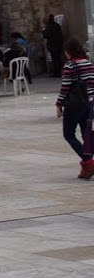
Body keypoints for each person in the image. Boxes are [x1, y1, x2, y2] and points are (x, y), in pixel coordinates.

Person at [56, 40, 94, 179]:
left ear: (69, 51)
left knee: (69, 134)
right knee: (86, 135)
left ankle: (88, 162)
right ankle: (86, 167)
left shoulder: (70, 65)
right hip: (88, 103)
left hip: (74, 105)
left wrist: (59, 104)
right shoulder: (89, 64)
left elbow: (65, 87)